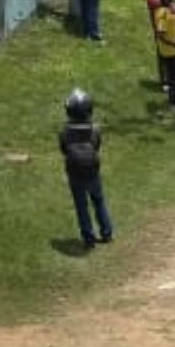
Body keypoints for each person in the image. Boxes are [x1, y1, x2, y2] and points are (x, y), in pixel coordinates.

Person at [60, 89, 113, 250]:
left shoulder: (65, 131)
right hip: (92, 171)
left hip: (74, 172)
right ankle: (106, 232)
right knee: (99, 200)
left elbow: (64, 149)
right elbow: (97, 146)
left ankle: (88, 237)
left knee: (81, 205)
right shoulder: (94, 129)